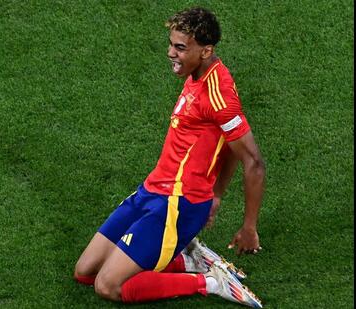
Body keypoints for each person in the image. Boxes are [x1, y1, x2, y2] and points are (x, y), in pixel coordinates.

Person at [73, 6, 266, 308]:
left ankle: (211, 282)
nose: (170, 53)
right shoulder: (197, 75)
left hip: (179, 204)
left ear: (206, 51)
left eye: (180, 48)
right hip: (152, 190)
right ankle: (190, 261)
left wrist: (248, 227)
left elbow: (252, 161)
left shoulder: (219, 94)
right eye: (171, 44)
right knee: (85, 272)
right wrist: (216, 193)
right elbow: (227, 145)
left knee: (108, 285)